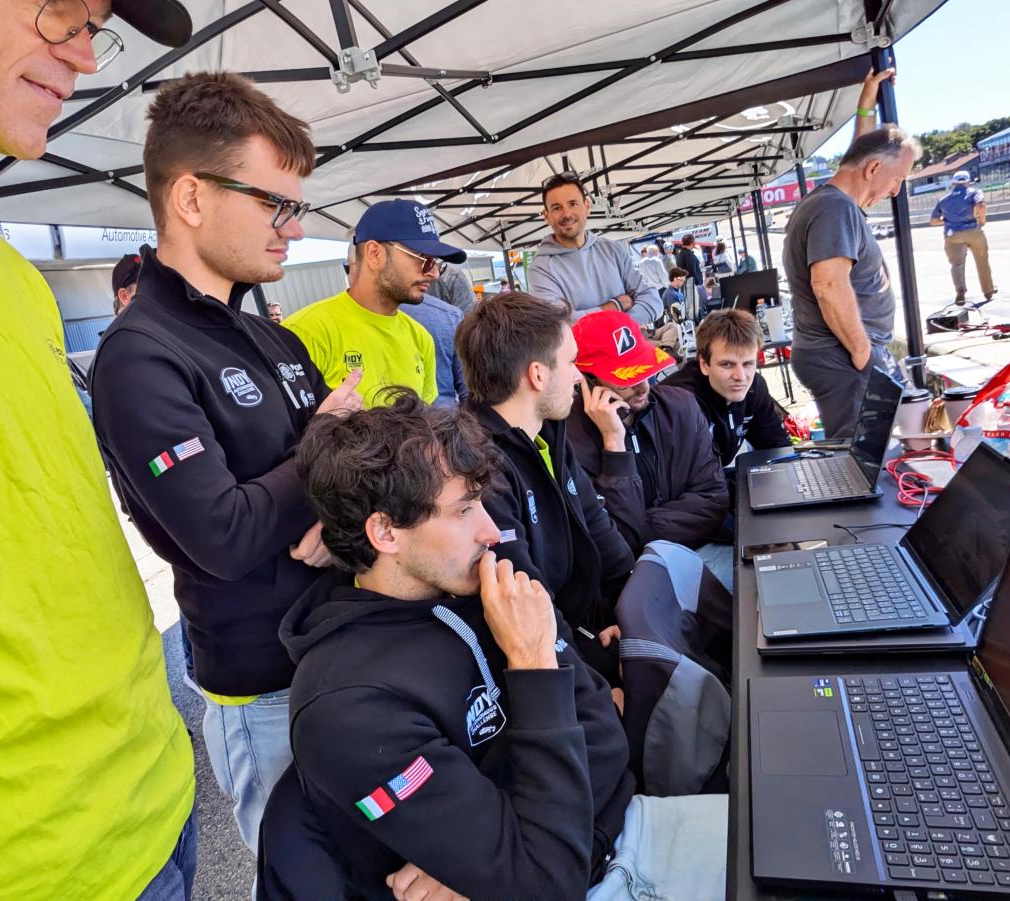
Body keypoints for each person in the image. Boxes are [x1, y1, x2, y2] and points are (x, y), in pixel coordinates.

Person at [0, 2, 199, 899]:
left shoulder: (8, 273)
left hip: (154, 797)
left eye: (92, 28)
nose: (82, 55)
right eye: (64, 9)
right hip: (4, 868)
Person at [262, 391, 727, 901]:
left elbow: (608, 746)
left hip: (612, 839)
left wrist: (516, 848)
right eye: (463, 510)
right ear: (385, 531)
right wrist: (533, 668)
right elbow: (544, 883)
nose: (490, 531)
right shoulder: (349, 704)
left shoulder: (487, 585)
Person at [89, 71, 363, 856]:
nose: (292, 228)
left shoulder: (270, 334)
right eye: (273, 203)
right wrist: (317, 457)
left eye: (295, 207)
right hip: (264, 687)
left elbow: (361, 463)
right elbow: (225, 533)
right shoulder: (139, 354)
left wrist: (324, 500)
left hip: (344, 643)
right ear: (191, 198)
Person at [456, 291, 634, 680]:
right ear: (537, 375)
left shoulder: (549, 434)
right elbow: (527, 600)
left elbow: (601, 531)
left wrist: (636, 615)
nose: (577, 375)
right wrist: (597, 685)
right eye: (570, 362)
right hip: (555, 662)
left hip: (589, 630)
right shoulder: (476, 465)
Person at [783, 122, 920, 438]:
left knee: (866, 450)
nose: (896, 190)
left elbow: (865, 145)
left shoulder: (831, 202)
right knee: (858, 459)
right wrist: (863, 353)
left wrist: (866, 103)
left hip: (841, 353)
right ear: (873, 168)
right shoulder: (835, 207)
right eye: (897, 178)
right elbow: (828, 285)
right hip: (843, 353)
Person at [566, 310, 729, 556]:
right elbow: (614, 541)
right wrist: (614, 444)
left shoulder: (681, 406)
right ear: (587, 381)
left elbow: (714, 497)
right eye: (625, 378)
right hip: (631, 581)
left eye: (645, 370)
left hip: (702, 548)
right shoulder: (569, 442)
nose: (642, 386)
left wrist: (642, 529)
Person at [283, 199, 461, 406]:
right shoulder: (304, 333)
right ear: (374, 254)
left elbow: (424, 420)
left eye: (437, 262)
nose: (434, 273)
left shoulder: (420, 337)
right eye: (423, 258)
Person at [337, 238, 468, 407]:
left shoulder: (422, 332)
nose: (433, 273)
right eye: (424, 261)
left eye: (433, 262)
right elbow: (471, 391)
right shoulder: (448, 317)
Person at [528, 172, 662, 325]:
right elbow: (558, 326)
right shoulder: (541, 269)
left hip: (632, 347)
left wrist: (620, 328)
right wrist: (615, 306)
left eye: (573, 204)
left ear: (587, 207)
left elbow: (652, 299)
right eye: (557, 208)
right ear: (547, 216)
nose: (566, 214)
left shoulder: (613, 250)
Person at [663, 309, 790, 468]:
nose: (741, 376)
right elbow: (693, 481)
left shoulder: (754, 387)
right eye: (727, 364)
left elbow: (777, 447)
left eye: (748, 364)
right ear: (704, 364)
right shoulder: (681, 401)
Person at [930, 170, 995, 305]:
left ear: (953, 183)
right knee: (982, 260)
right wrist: (982, 220)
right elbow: (981, 205)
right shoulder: (974, 192)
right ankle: (988, 291)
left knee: (957, 264)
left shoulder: (943, 200)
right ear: (968, 182)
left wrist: (948, 221)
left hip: (952, 234)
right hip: (973, 231)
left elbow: (933, 221)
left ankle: (960, 291)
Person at [675, 233, 708, 298]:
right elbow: (692, 272)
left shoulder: (679, 255)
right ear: (692, 242)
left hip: (685, 285)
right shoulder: (688, 254)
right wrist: (699, 286)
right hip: (692, 286)